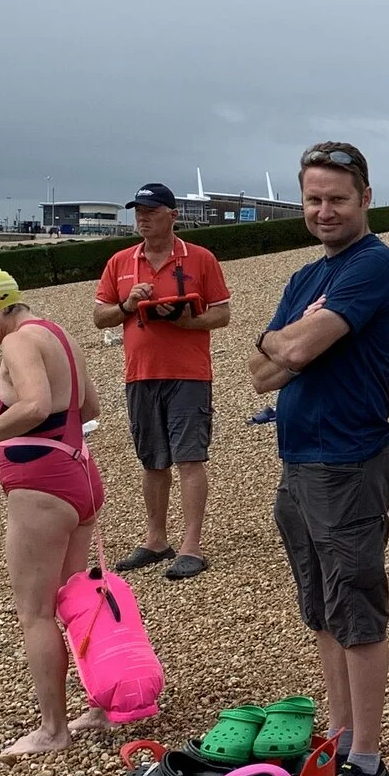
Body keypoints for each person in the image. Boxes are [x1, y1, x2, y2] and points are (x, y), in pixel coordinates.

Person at [247, 142, 389, 776]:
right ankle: (340, 736)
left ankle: (368, 762)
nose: (324, 211)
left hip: (348, 460)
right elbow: (261, 374)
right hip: (298, 458)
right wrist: (283, 342)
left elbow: (296, 351)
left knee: (356, 604)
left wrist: (287, 341)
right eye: (313, 199)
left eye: (337, 198)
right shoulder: (304, 278)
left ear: (365, 198)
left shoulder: (376, 266)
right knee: (320, 604)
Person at [0, 267, 108, 760]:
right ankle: (100, 707)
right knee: (79, 600)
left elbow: (35, 405)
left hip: (42, 483)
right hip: (79, 473)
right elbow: (90, 408)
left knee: (35, 612)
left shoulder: (18, 341)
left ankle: (53, 729)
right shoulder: (59, 335)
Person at [93, 184, 232, 581]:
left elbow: (222, 314)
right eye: (139, 210)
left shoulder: (200, 258)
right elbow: (100, 317)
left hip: (188, 373)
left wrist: (188, 320)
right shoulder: (120, 261)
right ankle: (156, 540)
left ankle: (191, 546)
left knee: (190, 457)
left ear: (173, 215)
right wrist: (128, 305)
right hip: (140, 374)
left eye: (151, 211)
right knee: (152, 460)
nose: (143, 217)